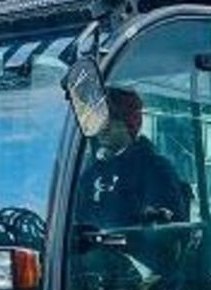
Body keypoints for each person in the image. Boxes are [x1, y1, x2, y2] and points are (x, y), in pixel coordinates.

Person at [79, 87, 190, 228]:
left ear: (130, 125)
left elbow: (167, 232)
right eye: (98, 121)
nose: (102, 128)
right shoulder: (89, 170)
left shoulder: (155, 169)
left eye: (111, 120)